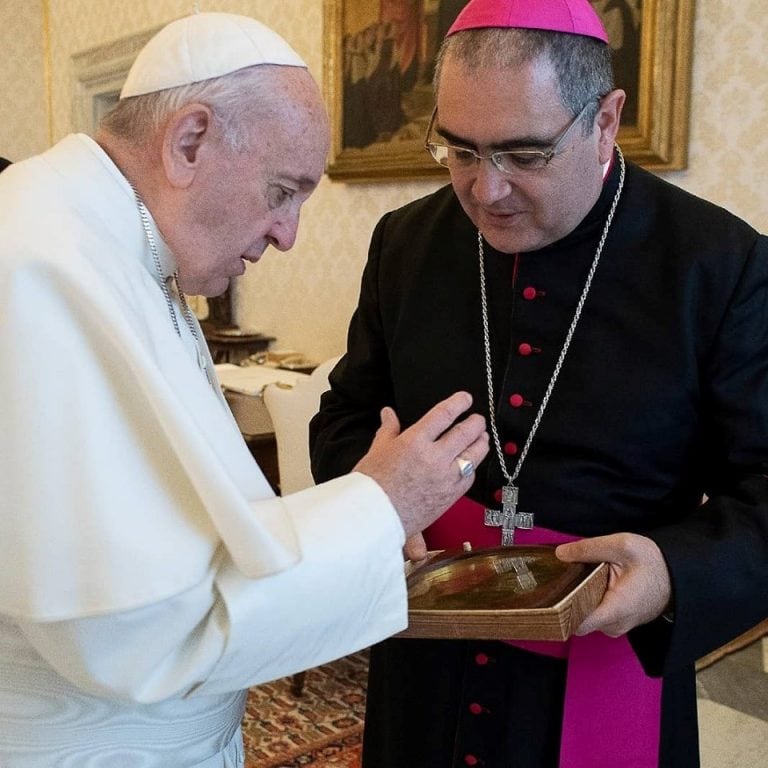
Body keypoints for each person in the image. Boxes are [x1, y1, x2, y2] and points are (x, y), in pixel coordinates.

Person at [0, 12, 489, 768]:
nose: (288, 233)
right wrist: (379, 505)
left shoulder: (116, 247)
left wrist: (363, 502)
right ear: (189, 141)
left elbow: (193, 541)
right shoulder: (41, 267)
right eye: (282, 190)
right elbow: (144, 633)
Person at [309, 0, 768, 766]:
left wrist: (672, 574)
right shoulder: (405, 243)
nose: (486, 191)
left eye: (525, 155)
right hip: (430, 650)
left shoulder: (719, 265)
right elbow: (350, 413)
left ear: (605, 119)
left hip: (611, 656)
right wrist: (375, 502)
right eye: (459, 150)